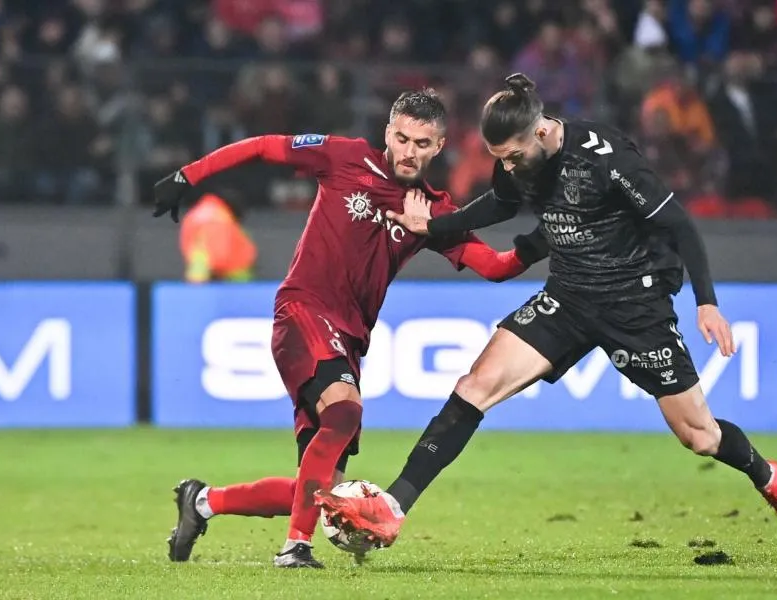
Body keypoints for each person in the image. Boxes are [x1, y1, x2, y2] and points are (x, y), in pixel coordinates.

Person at [315, 73, 777, 548]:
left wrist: (706, 302)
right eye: (500, 159)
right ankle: (393, 507)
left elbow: (679, 224)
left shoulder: (606, 157)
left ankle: (769, 478)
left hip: (634, 305)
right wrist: (434, 227)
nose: (510, 167)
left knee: (700, 435)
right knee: (474, 387)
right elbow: (500, 204)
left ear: (540, 132)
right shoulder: (516, 155)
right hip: (569, 298)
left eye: (514, 157)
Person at [151, 88, 548, 568]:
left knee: (320, 491)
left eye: (422, 144)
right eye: (402, 138)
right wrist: (187, 175)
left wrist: (545, 237)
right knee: (344, 412)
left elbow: (496, 267)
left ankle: (202, 502)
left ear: (439, 146)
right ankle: (295, 548)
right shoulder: (345, 158)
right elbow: (264, 146)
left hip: (349, 341)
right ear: (388, 132)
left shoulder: (433, 213)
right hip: (303, 311)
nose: (409, 151)